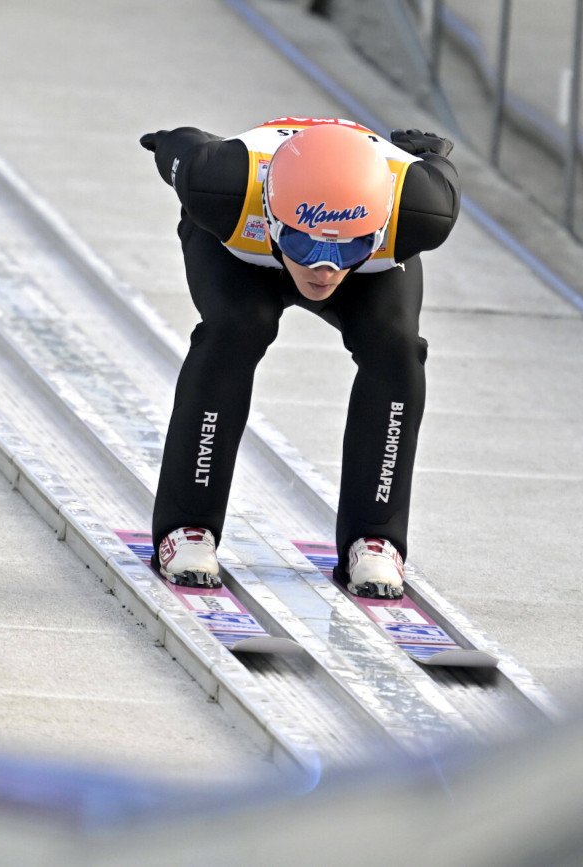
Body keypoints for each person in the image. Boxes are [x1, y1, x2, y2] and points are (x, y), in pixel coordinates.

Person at [139, 116, 460, 598]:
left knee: (395, 346)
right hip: (241, 252)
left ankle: (375, 537)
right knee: (236, 329)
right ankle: (187, 527)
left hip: (366, 273)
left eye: (348, 244)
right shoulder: (219, 183)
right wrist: (178, 143)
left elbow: (439, 168)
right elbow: (183, 147)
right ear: (269, 212)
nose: (323, 269)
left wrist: (427, 152)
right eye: (303, 242)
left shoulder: (421, 208)